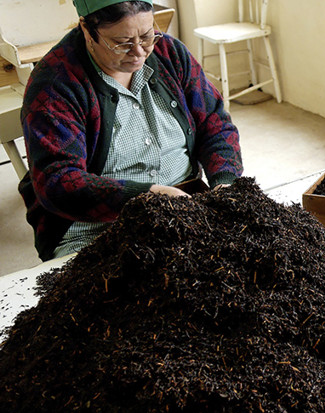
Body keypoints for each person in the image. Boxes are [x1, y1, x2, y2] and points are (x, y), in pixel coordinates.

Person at [19, 0, 243, 261]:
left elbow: (214, 123)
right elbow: (57, 182)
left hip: (186, 205)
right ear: (87, 29)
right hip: (95, 229)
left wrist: (224, 181)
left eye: (147, 36)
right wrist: (146, 196)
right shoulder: (56, 85)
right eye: (122, 42)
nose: (139, 52)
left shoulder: (169, 53)